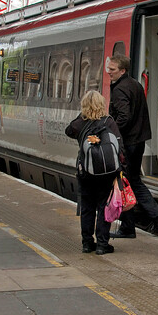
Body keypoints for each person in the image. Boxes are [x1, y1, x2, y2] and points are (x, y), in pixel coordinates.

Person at [106, 54, 158, 238]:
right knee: (133, 181)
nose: (109, 72)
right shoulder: (135, 85)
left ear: (122, 70)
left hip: (127, 143)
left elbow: (124, 117)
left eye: (113, 69)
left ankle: (128, 227)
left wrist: (111, 131)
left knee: (123, 182)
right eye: (108, 68)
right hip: (139, 141)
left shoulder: (120, 89)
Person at [65, 90, 123, 255]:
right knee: (104, 206)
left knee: (87, 207)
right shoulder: (109, 122)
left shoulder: (80, 123)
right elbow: (119, 145)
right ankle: (102, 244)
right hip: (107, 173)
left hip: (86, 172)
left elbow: (68, 131)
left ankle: (87, 243)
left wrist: (81, 115)